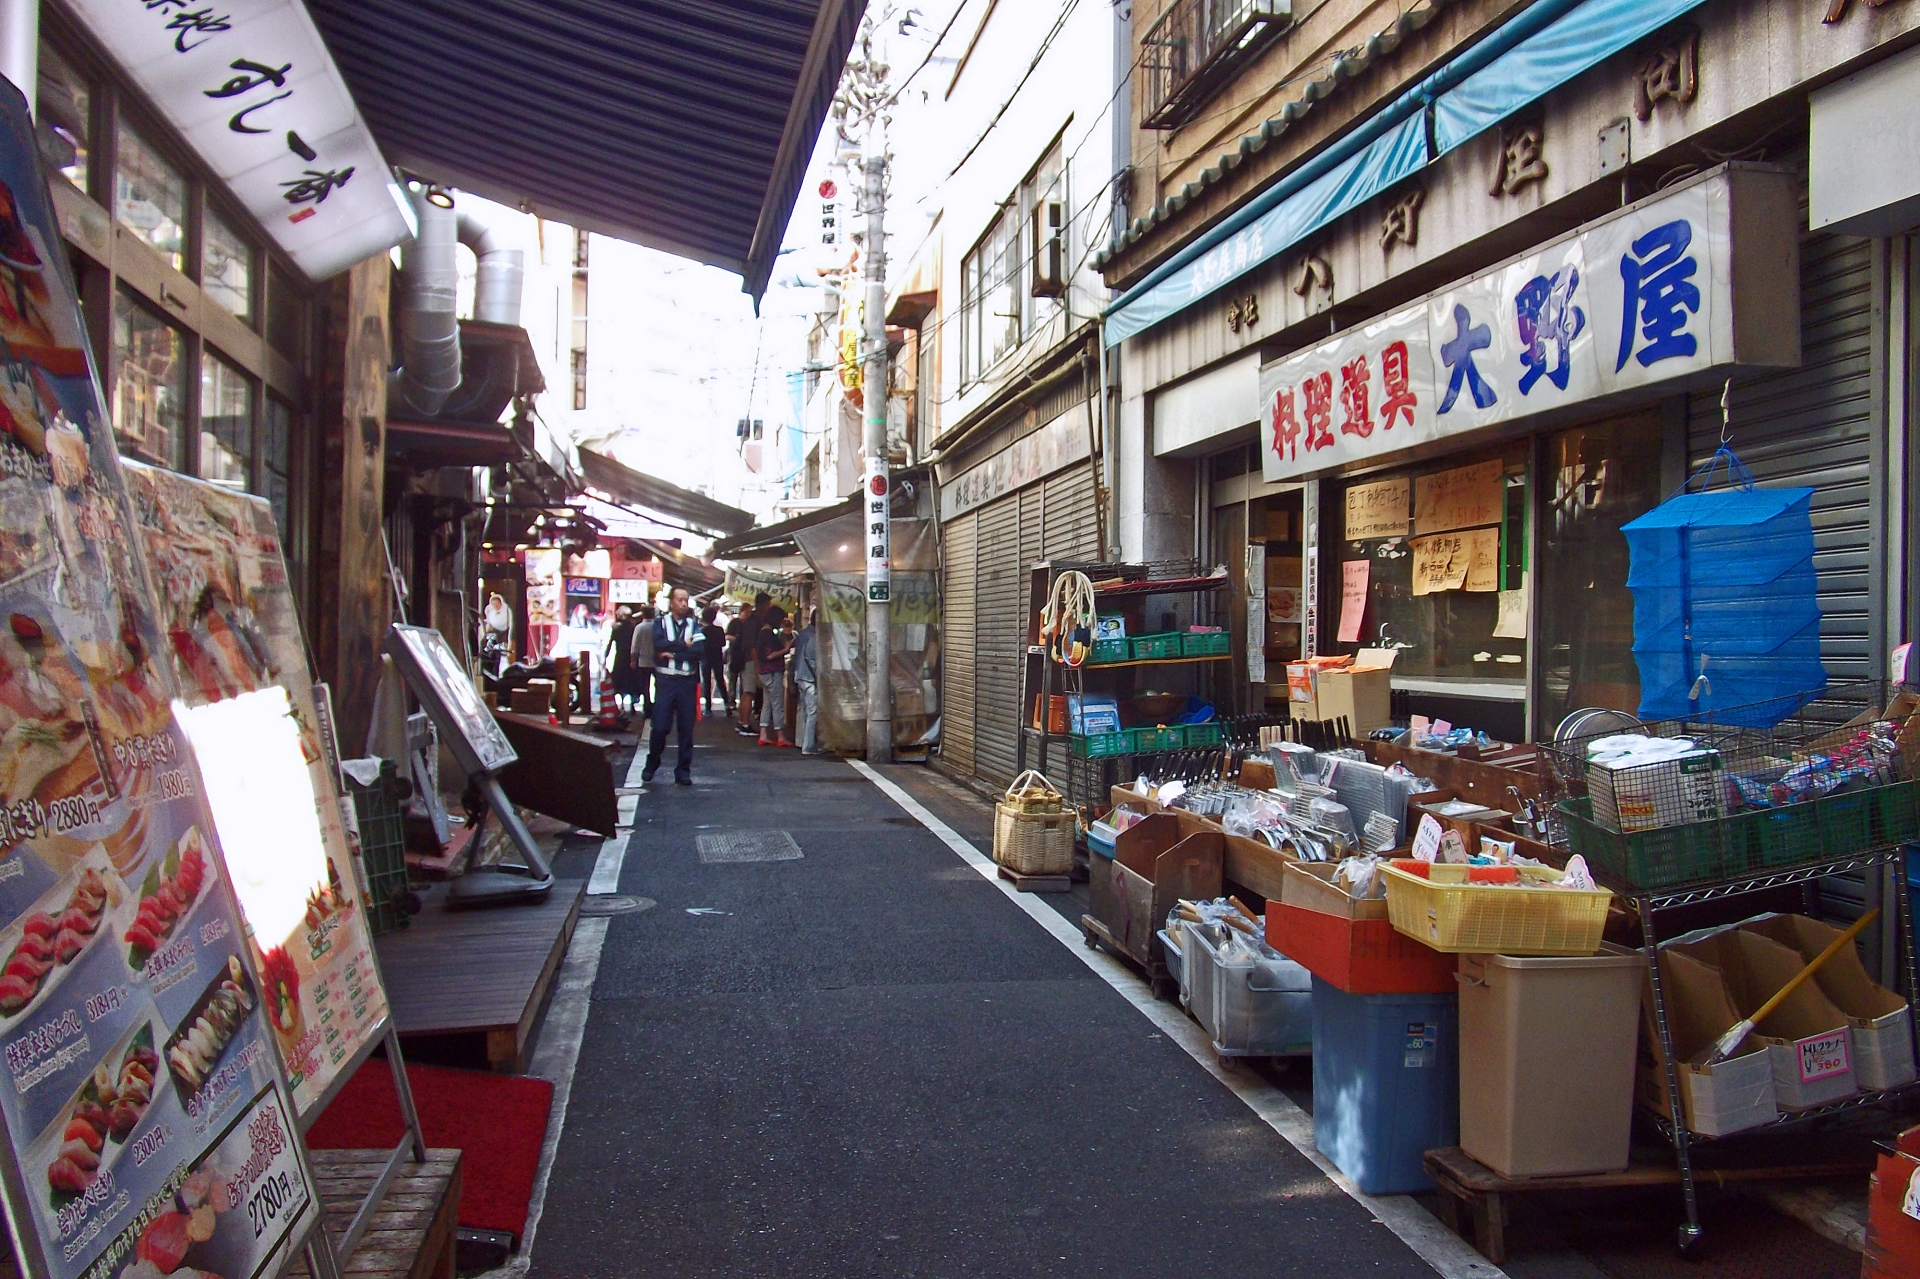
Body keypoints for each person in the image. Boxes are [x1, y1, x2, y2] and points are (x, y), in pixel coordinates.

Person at [643, 587, 703, 785]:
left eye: (686, 600)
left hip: (686, 681)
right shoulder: (660, 623)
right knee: (660, 726)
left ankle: (683, 770)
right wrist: (683, 645)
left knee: (686, 728)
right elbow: (659, 645)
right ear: (672, 603)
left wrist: (675, 653)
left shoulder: (695, 626)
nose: (684, 604)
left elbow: (699, 650)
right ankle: (652, 761)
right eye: (680, 600)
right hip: (666, 681)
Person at [756, 604, 793, 748]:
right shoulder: (768, 634)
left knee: (767, 704)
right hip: (773, 672)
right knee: (777, 704)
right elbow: (769, 655)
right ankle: (780, 735)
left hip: (765, 672)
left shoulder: (764, 632)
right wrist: (786, 650)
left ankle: (763, 734)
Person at [792, 606, 820, 754]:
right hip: (809, 678)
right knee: (812, 712)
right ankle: (808, 746)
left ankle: (802, 741)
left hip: (799, 675)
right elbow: (812, 660)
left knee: (804, 710)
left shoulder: (803, 633)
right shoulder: (814, 637)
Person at [700, 604, 731, 715]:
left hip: (705, 658)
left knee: (707, 682)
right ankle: (727, 704)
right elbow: (723, 643)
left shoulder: (702, 631)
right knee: (720, 680)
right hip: (717, 657)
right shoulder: (719, 630)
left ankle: (708, 708)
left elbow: (700, 646)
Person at [605, 606, 637, 712]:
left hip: (620, 656)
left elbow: (610, 643)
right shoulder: (633, 627)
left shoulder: (616, 628)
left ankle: (621, 705)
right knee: (632, 681)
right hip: (631, 656)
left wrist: (605, 655)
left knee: (619, 681)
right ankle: (632, 704)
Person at [631, 604, 656, 715]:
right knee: (659, 685)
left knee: (645, 685)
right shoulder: (658, 626)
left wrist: (633, 660)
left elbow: (635, 645)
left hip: (643, 661)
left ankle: (647, 707)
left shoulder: (639, 627)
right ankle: (658, 705)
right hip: (657, 661)